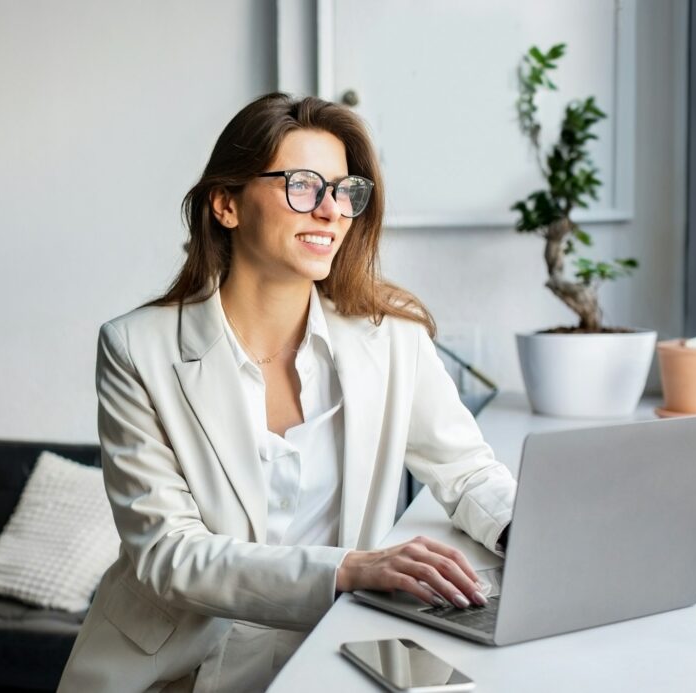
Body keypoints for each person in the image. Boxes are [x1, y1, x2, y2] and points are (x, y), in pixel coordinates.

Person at [58, 92, 516, 693]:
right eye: (303, 185)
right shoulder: (135, 349)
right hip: (172, 670)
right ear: (226, 204)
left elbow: (468, 473)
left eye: (345, 191)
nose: (331, 211)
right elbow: (168, 553)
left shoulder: (393, 339)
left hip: (328, 659)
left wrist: (529, 533)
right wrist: (351, 569)